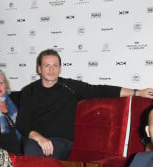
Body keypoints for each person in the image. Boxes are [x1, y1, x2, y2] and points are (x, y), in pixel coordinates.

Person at [16, 49, 153, 160]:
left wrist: (137, 92)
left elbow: (101, 90)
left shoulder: (70, 87)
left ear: (60, 69)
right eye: (47, 65)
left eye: (55, 65)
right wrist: (39, 138)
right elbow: (22, 123)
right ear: (39, 69)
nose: (51, 70)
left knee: (43, 159)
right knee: (31, 151)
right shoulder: (29, 91)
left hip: (61, 142)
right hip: (35, 140)